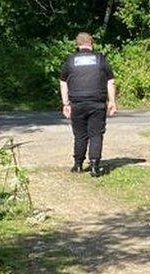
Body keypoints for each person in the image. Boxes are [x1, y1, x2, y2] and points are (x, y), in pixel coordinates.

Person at [59, 32, 118, 177]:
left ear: (77, 44)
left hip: (77, 103)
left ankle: (78, 165)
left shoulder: (70, 60)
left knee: (80, 135)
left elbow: (63, 82)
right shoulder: (100, 59)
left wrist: (66, 103)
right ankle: (94, 166)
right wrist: (112, 101)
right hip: (97, 102)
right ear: (91, 43)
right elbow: (110, 81)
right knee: (96, 134)